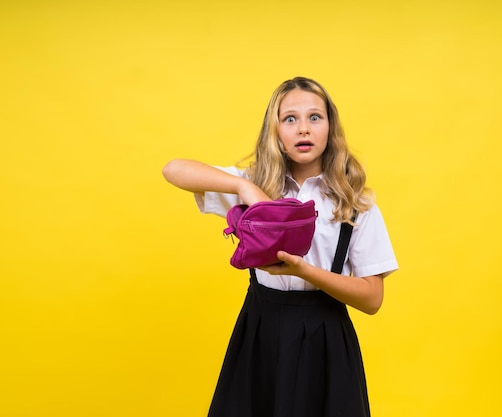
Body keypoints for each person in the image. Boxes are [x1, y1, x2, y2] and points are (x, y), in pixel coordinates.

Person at [162, 76, 398, 417]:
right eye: (290, 119)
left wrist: (306, 271)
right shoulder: (255, 184)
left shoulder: (354, 202)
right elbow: (173, 170)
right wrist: (244, 190)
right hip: (260, 331)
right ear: (276, 131)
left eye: (314, 117)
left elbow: (372, 298)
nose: (303, 129)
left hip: (325, 338)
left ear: (330, 129)